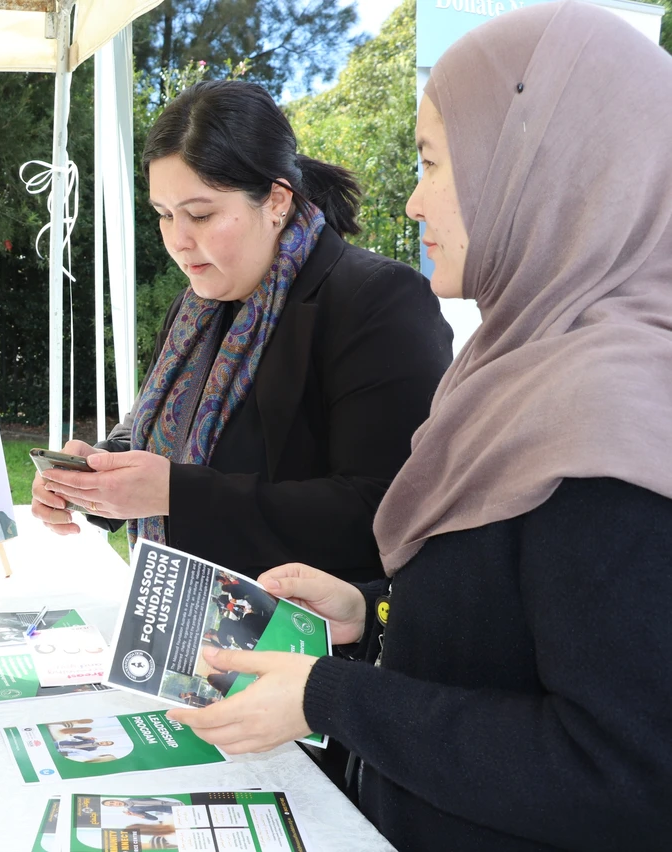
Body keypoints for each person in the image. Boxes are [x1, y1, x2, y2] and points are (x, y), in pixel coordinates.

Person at [167, 5, 672, 850]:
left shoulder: (610, 417)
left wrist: (332, 695)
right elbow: (517, 622)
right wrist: (372, 613)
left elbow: (623, 769)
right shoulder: (529, 369)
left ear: (534, 169)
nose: (412, 196)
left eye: (436, 161)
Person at [32, 79, 453, 582]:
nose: (179, 242)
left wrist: (174, 492)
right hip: (182, 629)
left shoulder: (376, 300)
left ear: (276, 200)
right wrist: (97, 473)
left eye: (201, 215)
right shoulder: (195, 307)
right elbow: (161, 430)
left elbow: (384, 508)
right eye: (164, 216)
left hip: (310, 643)